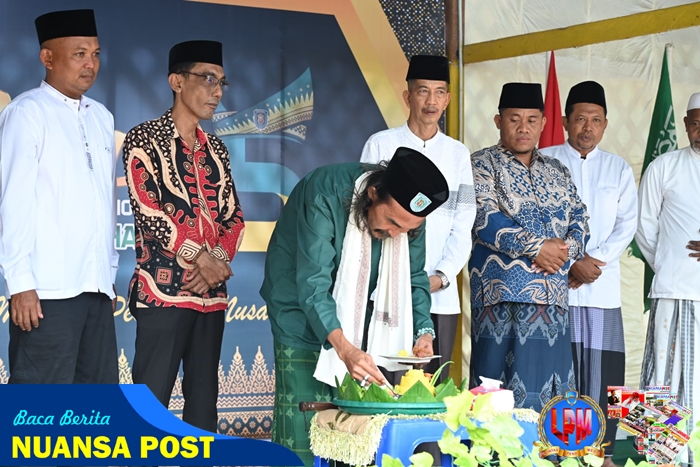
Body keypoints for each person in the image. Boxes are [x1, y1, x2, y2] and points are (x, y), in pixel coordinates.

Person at [261, 148, 448, 466]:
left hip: (361, 322)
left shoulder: (409, 219)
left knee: (353, 434)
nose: (395, 235)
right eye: (391, 222)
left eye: (405, 230)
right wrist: (345, 350)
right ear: (372, 194)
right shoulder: (325, 192)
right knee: (304, 428)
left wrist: (424, 331)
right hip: (299, 314)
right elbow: (313, 285)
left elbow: (414, 276)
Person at [121, 40, 245, 433]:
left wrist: (215, 264)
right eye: (208, 79)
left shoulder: (216, 149)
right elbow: (150, 211)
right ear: (177, 81)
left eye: (222, 82)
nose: (217, 91)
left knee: (204, 408)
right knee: (149, 404)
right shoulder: (144, 139)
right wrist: (200, 258)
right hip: (163, 294)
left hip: (211, 296)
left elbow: (233, 216)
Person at [0, 9, 119, 384]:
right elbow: (13, 203)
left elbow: (104, 204)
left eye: (95, 54)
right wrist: (20, 284)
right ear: (47, 58)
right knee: (41, 407)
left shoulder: (102, 117)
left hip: (95, 288)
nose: (90, 64)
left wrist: (108, 275)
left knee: (95, 405)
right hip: (46, 291)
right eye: (79, 54)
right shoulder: (27, 112)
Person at [469, 82, 589, 412]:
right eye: (514, 119)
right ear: (498, 121)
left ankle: (549, 448)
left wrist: (565, 251)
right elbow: (484, 218)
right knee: (496, 397)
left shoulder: (557, 170)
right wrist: (537, 248)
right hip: (501, 299)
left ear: (543, 123)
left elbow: (580, 218)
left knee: (552, 399)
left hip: (553, 302)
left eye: (532, 120)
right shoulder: (481, 164)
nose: (523, 128)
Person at [359, 55, 476, 381]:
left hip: (439, 296)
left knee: (430, 388)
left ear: (448, 99)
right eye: (423, 91)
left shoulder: (457, 154)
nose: (431, 101)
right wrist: (387, 278)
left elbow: (464, 223)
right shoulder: (381, 144)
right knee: (383, 384)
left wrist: (441, 277)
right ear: (408, 96)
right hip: (385, 292)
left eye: (439, 92)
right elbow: (364, 216)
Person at [539, 81, 637, 465]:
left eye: (596, 120)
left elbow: (627, 225)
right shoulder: (545, 161)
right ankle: (557, 451)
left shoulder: (618, 167)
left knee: (605, 376)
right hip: (553, 284)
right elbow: (539, 222)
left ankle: (603, 452)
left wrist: (593, 261)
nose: (588, 127)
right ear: (565, 121)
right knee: (558, 372)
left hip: (601, 286)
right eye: (580, 119)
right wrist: (571, 262)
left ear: (606, 124)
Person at [636, 91, 700, 436]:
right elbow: (643, 226)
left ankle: (696, 453)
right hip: (673, 290)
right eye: (696, 124)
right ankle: (662, 452)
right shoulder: (664, 166)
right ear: (687, 125)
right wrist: (668, 262)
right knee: (663, 374)